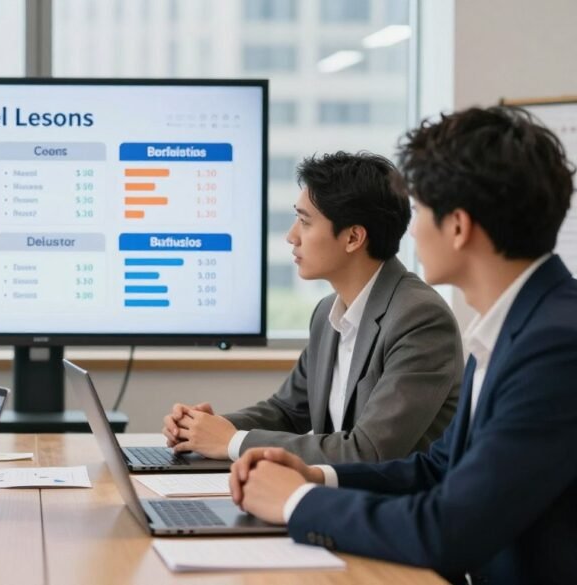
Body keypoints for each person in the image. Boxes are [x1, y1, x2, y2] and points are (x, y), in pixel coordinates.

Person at [231, 107, 577, 585]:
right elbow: (439, 470)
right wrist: (317, 478)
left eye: (420, 211)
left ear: (458, 226)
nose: (410, 231)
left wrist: (295, 502)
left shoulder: (556, 346)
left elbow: (450, 529)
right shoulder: (510, 325)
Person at [163, 152, 462, 464]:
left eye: (305, 222)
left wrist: (231, 441)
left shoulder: (420, 319)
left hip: (394, 506)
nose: (291, 236)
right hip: (338, 497)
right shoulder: (327, 313)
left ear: (353, 237)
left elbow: (368, 451)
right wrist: (205, 429)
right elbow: (287, 412)